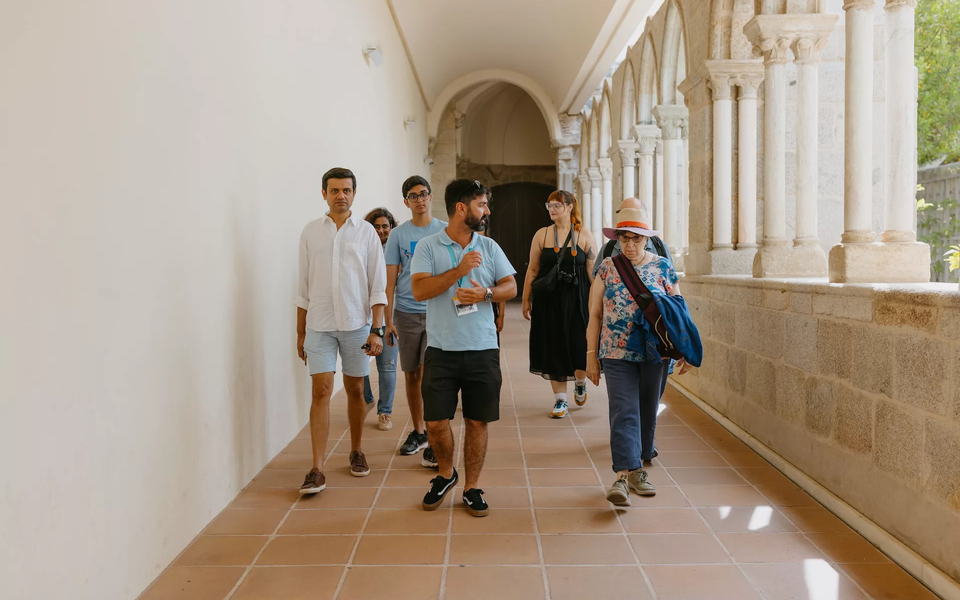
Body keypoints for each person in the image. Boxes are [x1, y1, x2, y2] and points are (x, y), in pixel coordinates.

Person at [410, 179, 517, 517]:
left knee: (476, 421)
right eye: (481, 205)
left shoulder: (489, 247)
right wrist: (459, 270)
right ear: (461, 207)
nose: (486, 211)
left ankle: (471, 487)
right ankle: (446, 474)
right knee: (436, 422)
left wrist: (484, 294)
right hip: (441, 348)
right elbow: (420, 291)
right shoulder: (428, 246)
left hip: (482, 348)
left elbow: (510, 286)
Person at [584, 202, 691, 506]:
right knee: (623, 410)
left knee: (647, 409)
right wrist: (591, 355)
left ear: (647, 239)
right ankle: (623, 475)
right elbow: (593, 315)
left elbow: (678, 313)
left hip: (654, 352)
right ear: (616, 238)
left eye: (636, 238)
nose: (629, 245)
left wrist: (684, 350)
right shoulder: (607, 267)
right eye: (624, 238)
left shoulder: (662, 267)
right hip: (614, 351)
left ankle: (637, 467)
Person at [295, 167, 388, 494]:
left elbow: (378, 286)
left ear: (354, 193)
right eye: (334, 190)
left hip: (356, 326)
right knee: (320, 391)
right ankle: (317, 467)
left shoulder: (366, 233)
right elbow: (303, 287)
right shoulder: (310, 232)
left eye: (346, 190)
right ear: (324, 193)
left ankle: (356, 450)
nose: (340, 195)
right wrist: (300, 331)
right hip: (319, 324)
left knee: (354, 392)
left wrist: (377, 329)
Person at [384, 176, 447, 466]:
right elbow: (390, 281)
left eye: (423, 194)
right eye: (413, 196)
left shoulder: (445, 231)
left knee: (434, 376)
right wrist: (387, 319)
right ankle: (419, 431)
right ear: (406, 201)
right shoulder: (398, 235)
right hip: (406, 313)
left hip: (437, 310)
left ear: (431, 197)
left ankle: (436, 435)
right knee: (411, 373)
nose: (419, 199)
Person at [521, 190, 598, 418]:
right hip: (549, 301)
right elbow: (533, 269)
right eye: (549, 206)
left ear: (570, 207)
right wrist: (526, 298)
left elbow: (592, 274)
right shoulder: (542, 235)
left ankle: (580, 382)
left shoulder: (583, 235)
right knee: (553, 346)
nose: (552, 210)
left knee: (579, 345)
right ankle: (560, 400)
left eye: (556, 205)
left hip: (578, 300)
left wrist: (596, 304)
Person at [363, 207, 399, 431]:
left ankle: (385, 412)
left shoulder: (396, 253)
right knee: (360, 366)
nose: (381, 230)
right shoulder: (363, 249)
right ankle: (367, 398)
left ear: (391, 228)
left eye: (385, 226)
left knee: (387, 366)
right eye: (376, 226)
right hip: (364, 318)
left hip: (389, 318)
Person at [592, 197, 674, 278]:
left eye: (637, 238)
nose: (630, 244)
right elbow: (596, 281)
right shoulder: (607, 249)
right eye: (622, 213)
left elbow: (670, 282)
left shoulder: (660, 247)